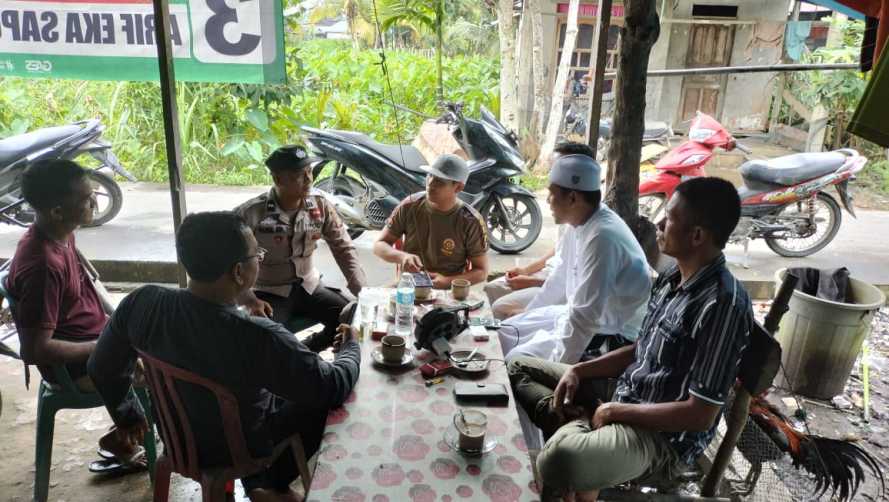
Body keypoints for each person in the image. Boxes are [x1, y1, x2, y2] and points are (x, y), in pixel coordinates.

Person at [87, 211, 361, 502]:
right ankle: (270, 483)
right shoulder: (257, 335)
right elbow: (331, 386)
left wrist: (128, 416)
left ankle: (261, 484)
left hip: (179, 440)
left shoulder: (141, 302)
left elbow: (101, 365)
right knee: (322, 401)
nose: (261, 259)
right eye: (258, 254)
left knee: (276, 386)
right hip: (240, 448)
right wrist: (350, 348)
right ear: (239, 272)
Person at [508, 177, 753, 501]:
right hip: (625, 398)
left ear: (697, 236)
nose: (659, 224)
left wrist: (613, 413)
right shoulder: (671, 277)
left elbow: (700, 414)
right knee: (516, 365)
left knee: (556, 460)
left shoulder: (722, 304)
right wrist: (579, 371)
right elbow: (643, 347)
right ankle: (580, 425)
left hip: (660, 439)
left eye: (670, 218)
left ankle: (578, 434)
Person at [4, 159, 143, 466]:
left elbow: (89, 287)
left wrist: (118, 321)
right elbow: (35, 349)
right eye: (86, 198)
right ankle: (132, 431)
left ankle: (126, 435)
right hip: (75, 367)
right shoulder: (42, 266)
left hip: (96, 338)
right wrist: (104, 346)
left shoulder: (61, 232)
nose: (95, 201)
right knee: (170, 367)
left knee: (164, 326)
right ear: (57, 211)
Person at [497, 153, 651, 364]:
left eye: (551, 194)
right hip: (576, 315)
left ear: (572, 198)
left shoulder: (602, 238)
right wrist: (529, 312)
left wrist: (556, 368)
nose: (548, 201)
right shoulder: (578, 222)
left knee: (517, 359)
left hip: (611, 332)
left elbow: (585, 318)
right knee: (504, 332)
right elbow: (560, 278)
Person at [235, 145, 366, 352]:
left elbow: (343, 247)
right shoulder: (252, 213)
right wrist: (248, 299)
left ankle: (309, 350)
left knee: (354, 316)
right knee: (267, 336)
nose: (308, 179)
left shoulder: (320, 206)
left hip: (309, 286)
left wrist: (361, 289)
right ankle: (292, 364)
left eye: (309, 172)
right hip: (270, 291)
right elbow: (228, 260)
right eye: (299, 175)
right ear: (278, 179)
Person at [484, 142, 594, 320]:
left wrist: (533, 284)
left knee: (502, 309)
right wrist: (527, 270)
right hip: (550, 278)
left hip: (561, 293)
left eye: (559, 167)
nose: (552, 173)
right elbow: (558, 252)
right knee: (493, 289)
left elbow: (572, 286)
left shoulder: (590, 228)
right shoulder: (571, 214)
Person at [373, 154, 489, 289]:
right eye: (430, 176)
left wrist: (446, 281)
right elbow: (379, 245)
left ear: (458, 187)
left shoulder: (470, 221)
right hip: (407, 287)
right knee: (368, 302)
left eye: (440, 181)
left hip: (447, 292)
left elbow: (481, 272)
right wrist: (402, 257)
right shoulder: (410, 205)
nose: (431, 183)